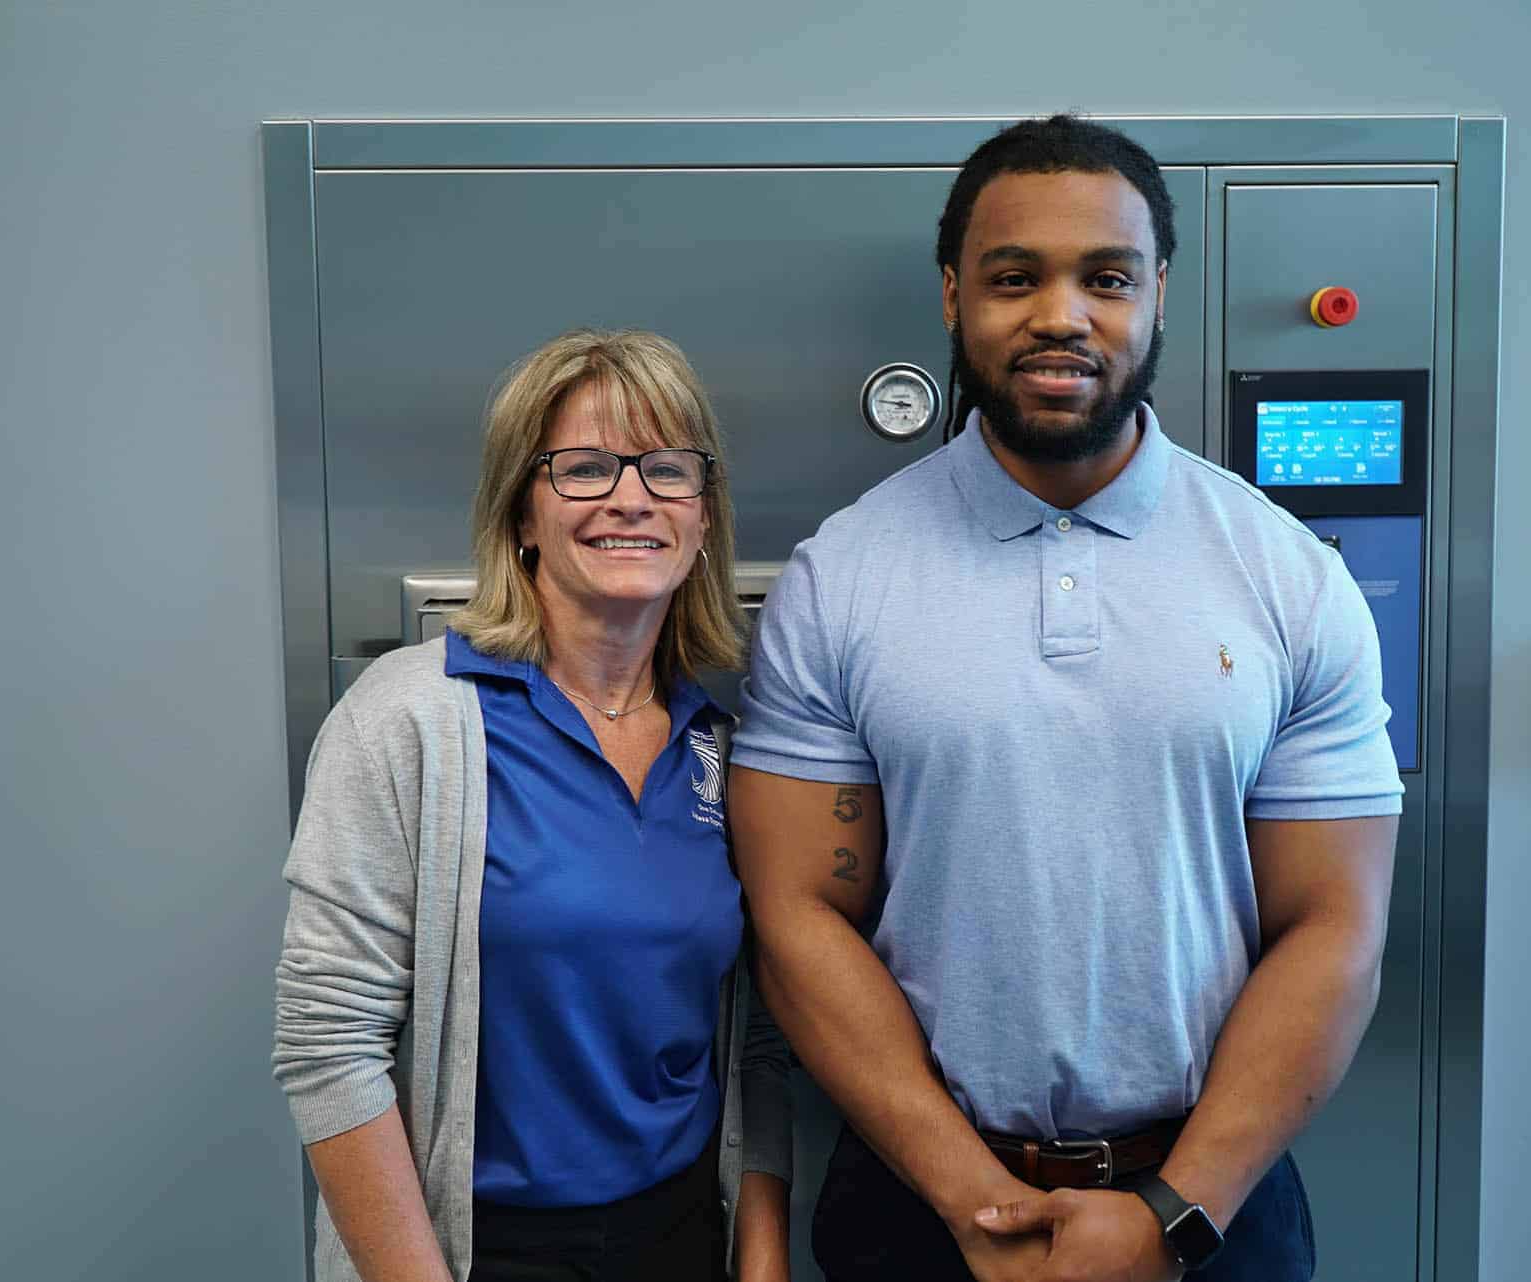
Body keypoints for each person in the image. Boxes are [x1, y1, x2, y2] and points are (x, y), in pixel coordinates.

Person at [728, 115, 1401, 1282]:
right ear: (952, 297)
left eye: (1105, 277)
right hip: (917, 1204)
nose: (1060, 314)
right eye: (1013, 277)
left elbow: (1336, 926)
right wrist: (971, 1199)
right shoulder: (843, 577)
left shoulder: (1289, 575)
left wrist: (1174, 1213)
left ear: (1154, 295)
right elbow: (798, 919)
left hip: (1217, 1206)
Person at [274, 329, 791, 1282]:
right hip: (473, 1252)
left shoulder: (723, 747)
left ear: (704, 518)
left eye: (667, 470)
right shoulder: (411, 718)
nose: (630, 498)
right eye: (586, 468)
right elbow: (326, 1043)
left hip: (680, 1241)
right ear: (521, 514)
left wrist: (761, 1255)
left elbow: (753, 1037)